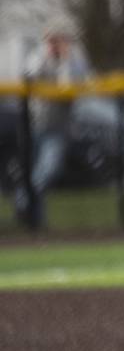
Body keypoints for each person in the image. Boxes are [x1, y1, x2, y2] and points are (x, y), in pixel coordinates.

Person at [13, 26, 90, 230]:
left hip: (58, 126)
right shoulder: (37, 57)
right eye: (51, 40)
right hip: (33, 125)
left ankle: (22, 199)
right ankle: (36, 223)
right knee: (35, 171)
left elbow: (69, 88)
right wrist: (45, 54)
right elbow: (30, 76)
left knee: (49, 169)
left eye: (59, 40)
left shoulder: (74, 61)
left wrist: (64, 59)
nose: (55, 44)